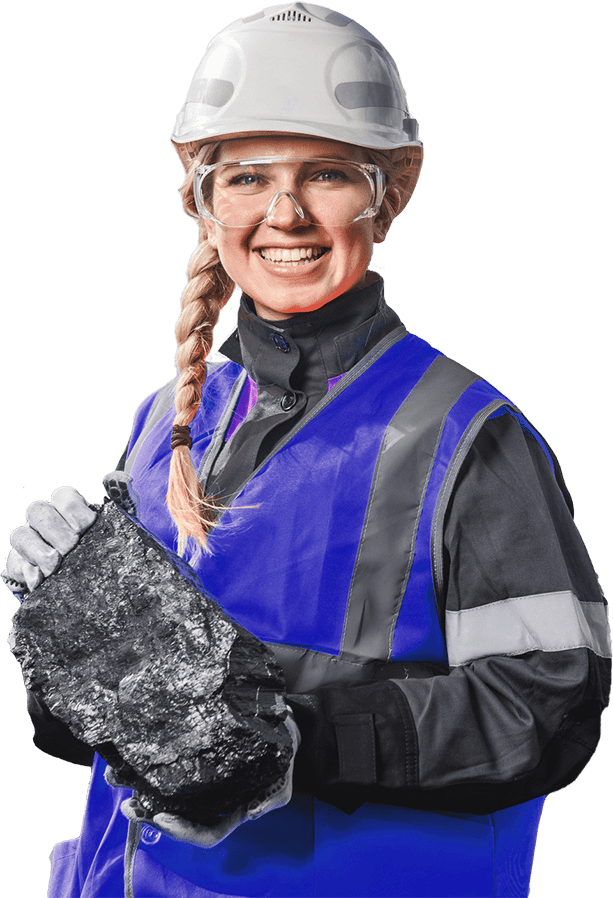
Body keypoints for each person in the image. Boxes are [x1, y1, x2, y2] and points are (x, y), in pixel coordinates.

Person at [3, 3, 611, 897]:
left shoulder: (467, 439)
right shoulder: (165, 421)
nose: (284, 213)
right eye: (246, 177)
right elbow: (99, 737)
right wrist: (66, 652)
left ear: (385, 196)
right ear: (203, 203)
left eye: (325, 173)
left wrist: (288, 744)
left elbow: (547, 706)